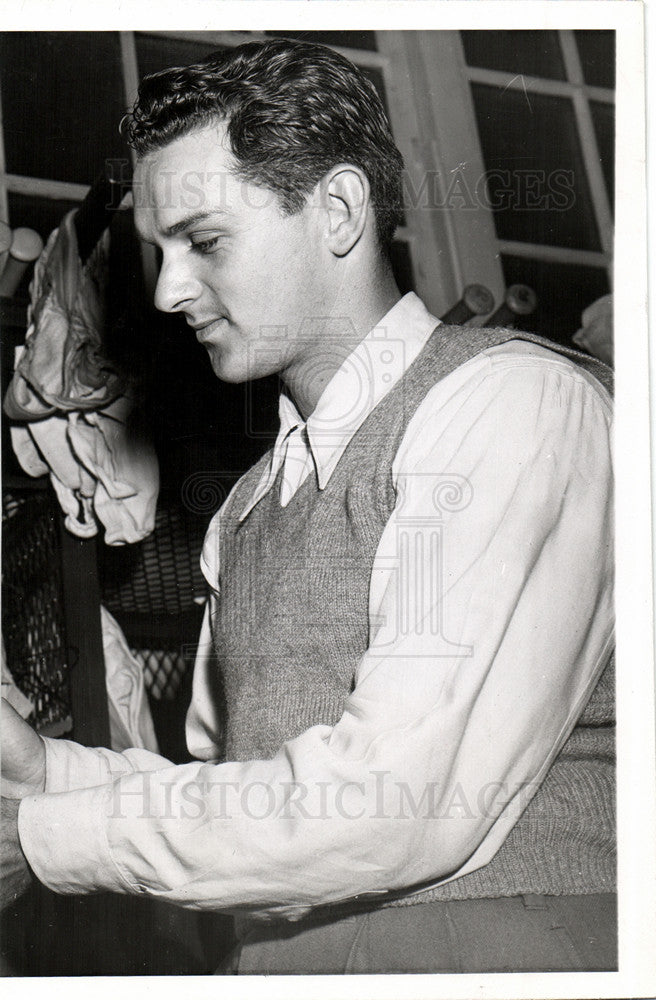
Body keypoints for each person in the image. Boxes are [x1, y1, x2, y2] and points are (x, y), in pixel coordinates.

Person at [1, 38, 615, 974]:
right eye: (158, 253)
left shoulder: (511, 405)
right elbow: (234, 793)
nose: (168, 291)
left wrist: (56, 834)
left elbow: (394, 808)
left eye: (204, 242)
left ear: (336, 210)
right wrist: (52, 776)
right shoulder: (244, 509)